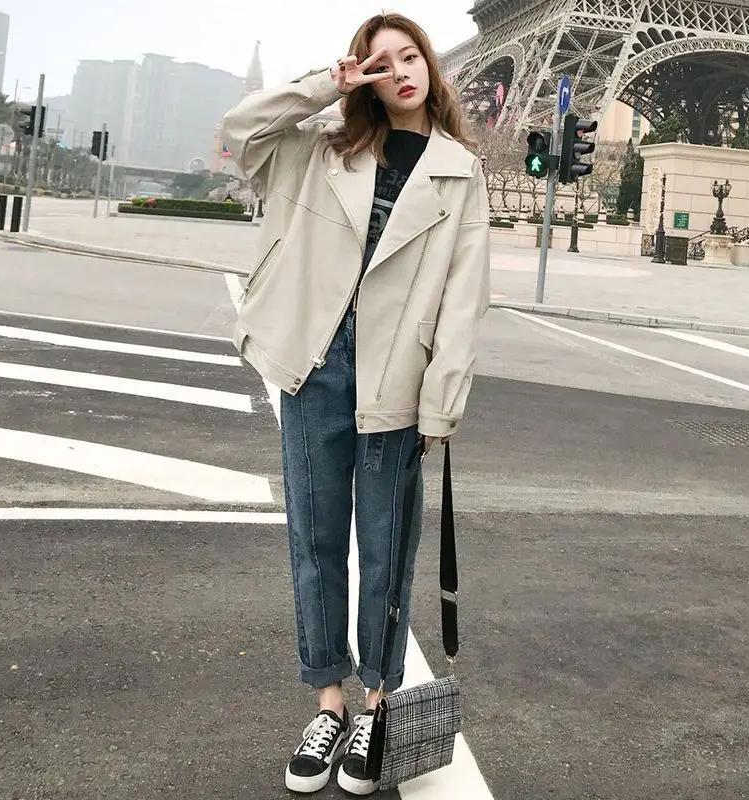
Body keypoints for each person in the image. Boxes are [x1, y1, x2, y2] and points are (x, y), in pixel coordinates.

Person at [220, 12, 490, 795]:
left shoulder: (460, 171)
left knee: (385, 551)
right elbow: (239, 132)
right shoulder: (322, 146)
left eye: (410, 57)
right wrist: (323, 86)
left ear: (431, 66)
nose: (399, 71)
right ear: (363, 74)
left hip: (395, 378)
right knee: (313, 543)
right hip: (314, 364)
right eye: (381, 62)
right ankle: (328, 704)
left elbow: (463, 299)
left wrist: (441, 404)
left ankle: (376, 703)